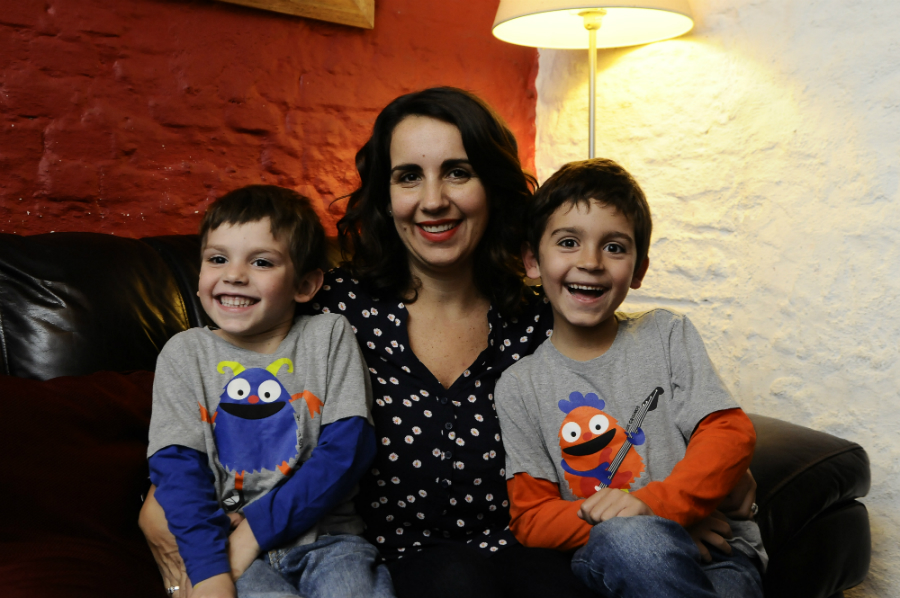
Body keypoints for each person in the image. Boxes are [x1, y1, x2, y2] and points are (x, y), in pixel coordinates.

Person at [140, 88, 755, 598]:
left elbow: (645, 404)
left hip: (535, 553)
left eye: (456, 172)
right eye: (410, 176)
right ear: (386, 194)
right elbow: (224, 401)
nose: (433, 200)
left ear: (491, 185)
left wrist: (664, 519)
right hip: (390, 564)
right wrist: (158, 505)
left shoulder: (548, 318)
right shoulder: (328, 310)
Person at [493, 158, 767, 598]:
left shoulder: (667, 334)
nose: (591, 262)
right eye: (568, 242)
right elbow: (533, 519)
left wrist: (656, 507)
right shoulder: (519, 387)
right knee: (631, 541)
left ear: (638, 269)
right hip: (609, 555)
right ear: (532, 261)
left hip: (717, 555)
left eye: (615, 248)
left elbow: (728, 432)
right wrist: (648, 525)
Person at [147, 185, 395, 598]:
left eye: (261, 261)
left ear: (305, 285)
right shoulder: (184, 354)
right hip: (227, 547)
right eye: (218, 259)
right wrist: (209, 574)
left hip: (329, 542)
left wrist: (258, 530)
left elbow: (347, 451)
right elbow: (178, 471)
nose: (234, 275)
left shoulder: (328, 336)